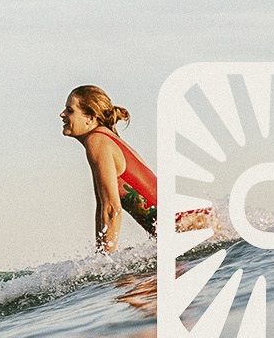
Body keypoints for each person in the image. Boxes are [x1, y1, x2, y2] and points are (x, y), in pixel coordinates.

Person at [61, 85, 209, 252]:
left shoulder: (97, 141)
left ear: (90, 118)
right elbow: (102, 207)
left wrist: (105, 261)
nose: (62, 114)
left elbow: (112, 209)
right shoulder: (104, 138)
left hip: (190, 226)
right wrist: (101, 255)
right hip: (194, 223)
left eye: (70, 110)